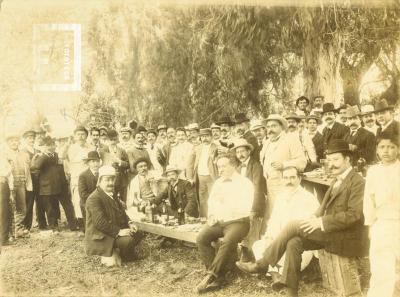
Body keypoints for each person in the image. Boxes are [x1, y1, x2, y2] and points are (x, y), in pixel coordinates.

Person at [237, 139, 369, 297]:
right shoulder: (337, 179)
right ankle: (291, 292)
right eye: (329, 160)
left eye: (336, 159)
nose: (331, 164)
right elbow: (322, 209)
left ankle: (261, 264)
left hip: (347, 237)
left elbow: (354, 215)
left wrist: (319, 222)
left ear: (347, 159)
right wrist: (314, 217)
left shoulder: (357, 182)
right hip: (333, 232)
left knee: (293, 225)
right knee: (294, 242)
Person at [249, 166, 319, 290]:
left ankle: (273, 271)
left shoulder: (308, 198)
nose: (289, 181)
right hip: (278, 244)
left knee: (288, 251)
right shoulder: (280, 197)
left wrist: (279, 241)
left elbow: (308, 228)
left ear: (300, 179)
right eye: (286, 178)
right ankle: (277, 275)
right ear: (282, 180)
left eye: (292, 177)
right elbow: (274, 220)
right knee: (258, 245)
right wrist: (270, 236)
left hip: (297, 245)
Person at [195, 154, 254, 293]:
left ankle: (210, 276)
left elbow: (245, 207)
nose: (220, 170)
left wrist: (225, 204)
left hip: (238, 222)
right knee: (201, 237)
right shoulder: (218, 183)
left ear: (233, 166)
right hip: (219, 221)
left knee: (227, 241)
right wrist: (212, 215)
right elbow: (211, 203)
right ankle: (219, 277)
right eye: (218, 166)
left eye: (223, 166)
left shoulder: (245, 183)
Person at [363, 132, 400, 297]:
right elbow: (368, 201)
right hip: (382, 223)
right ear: (377, 150)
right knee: (381, 266)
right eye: (382, 147)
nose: (386, 151)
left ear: (398, 150)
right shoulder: (373, 172)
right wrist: (371, 225)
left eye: (391, 147)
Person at [84, 165, 144, 265]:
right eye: (107, 180)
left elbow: (122, 212)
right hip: (101, 236)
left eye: (112, 180)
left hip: (111, 231)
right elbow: (100, 223)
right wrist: (119, 231)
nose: (110, 183)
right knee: (128, 241)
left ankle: (121, 252)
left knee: (138, 233)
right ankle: (124, 256)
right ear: (100, 181)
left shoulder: (112, 193)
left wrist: (130, 223)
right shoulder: (94, 198)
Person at [260, 114, 307, 217]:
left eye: (274, 126)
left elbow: (302, 162)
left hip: (285, 186)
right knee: (273, 218)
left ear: (282, 127)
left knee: (285, 216)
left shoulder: (291, 139)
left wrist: (284, 165)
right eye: (268, 127)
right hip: (269, 187)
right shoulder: (267, 142)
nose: (270, 129)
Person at [32, 136, 77, 232]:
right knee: (50, 208)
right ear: (43, 146)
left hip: (61, 185)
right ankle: (53, 226)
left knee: (67, 205)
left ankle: (73, 224)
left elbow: (62, 168)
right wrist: (42, 154)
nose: (51, 147)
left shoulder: (57, 155)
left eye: (52, 144)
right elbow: (35, 167)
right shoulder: (41, 157)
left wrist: (65, 182)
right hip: (47, 187)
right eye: (48, 145)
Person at [233, 139, 266, 262]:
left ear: (249, 152)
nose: (240, 155)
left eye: (242, 151)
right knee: (243, 227)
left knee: (254, 228)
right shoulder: (237, 168)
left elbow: (258, 188)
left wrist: (254, 208)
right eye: (238, 152)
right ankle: (244, 251)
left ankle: (255, 258)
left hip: (254, 203)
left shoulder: (256, 166)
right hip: (242, 204)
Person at [5, 132, 32, 237]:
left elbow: (28, 171)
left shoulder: (24, 155)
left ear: (19, 142)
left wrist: (28, 184)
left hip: (21, 183)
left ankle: (19, 230)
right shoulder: (4, 154)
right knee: (9, 208)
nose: (14, 143)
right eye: (11, 141)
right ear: (8, 143)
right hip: (8, 185)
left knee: (22, 208)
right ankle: (8, 233)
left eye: (16, 140)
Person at [187, 128, 218, 217]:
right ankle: (204, 218)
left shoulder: (216, 147)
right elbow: (190, 163)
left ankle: (215, 218)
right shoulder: (197, 148)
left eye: (207, 136)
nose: (205, 138)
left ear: (211, 137)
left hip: (212, 177)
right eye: (203, 136)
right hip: (200, 177)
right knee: (202, 199)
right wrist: (190, 177)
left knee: (214, 198)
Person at [66, 125, 92, 225]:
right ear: (75, 136)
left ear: (86, 136)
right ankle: (81, 222)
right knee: (77, 200)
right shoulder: (71, 148)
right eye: (78, 134)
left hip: (88, 178)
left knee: (89, 198)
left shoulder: (91, 147)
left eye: (83, 134)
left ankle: (90, 220)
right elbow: (65, 159)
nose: (81, 137)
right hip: (76, 178)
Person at [101, 129, 130, 203]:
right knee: (110, 199)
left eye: (114, 139)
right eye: (111, 140)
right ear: (107, 140)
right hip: (109, 178)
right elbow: (100, 165)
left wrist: (120, 162)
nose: (113, 142)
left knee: (122, 200)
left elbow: (128, 164)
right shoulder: (103, 150)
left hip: (121, 179)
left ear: (117, 139)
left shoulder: (121, 150)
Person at [78, 151, 101, 229]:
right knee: (90, 226)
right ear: (88, 163)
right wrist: (98, 199)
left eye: (97, 161)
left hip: (101, 202)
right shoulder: (83, 175)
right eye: (93, 161)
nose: (95, 164)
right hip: (87, 203)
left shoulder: (102, 174)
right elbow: (83, 194)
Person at [0, 149, 13, 245]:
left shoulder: (4, 157)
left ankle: (4, 237)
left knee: (5, 211)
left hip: (4, 184)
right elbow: (6, 173)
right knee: (3, 211)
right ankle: (3, 239)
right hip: (2, 184)